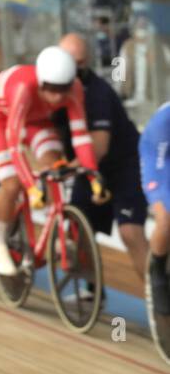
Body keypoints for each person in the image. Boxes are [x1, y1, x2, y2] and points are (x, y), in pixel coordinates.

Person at [0, 47, 105, 281]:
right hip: (1, 119)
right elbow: (15, 146)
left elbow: (81, 136)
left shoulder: (75, 89)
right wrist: (30, 185)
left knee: (56, 165)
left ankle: (58, 227)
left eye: (63, 89)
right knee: (12, 185)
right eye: (51, 89)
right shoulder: (23, 89)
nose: (58, 97)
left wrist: (93, 177)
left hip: (36, 120)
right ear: (40, 83)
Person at [52, 33, 147, 283]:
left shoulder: (97, 93)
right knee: (78, 230)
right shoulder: (52, 87)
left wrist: (67, 168)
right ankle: (92, 291)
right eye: (72, 62)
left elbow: (99, 148)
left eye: (81, 63)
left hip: (125, 167)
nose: (76, 69)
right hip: (89, 170)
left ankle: (159, 303)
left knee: (130, 232)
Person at [138, 102, 170, 364]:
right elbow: (159, 169)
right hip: (159, 159)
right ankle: (157, 268)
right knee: (166, 218)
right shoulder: (163, 121)